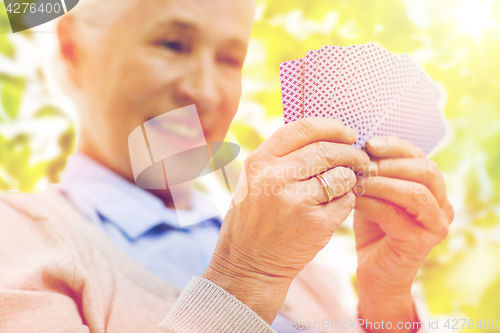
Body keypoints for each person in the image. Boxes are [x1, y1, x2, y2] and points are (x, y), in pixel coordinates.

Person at [0, 0, 454, 332]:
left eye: (229, 59)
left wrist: (386, 299)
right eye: (172, 44)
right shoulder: (16, 238)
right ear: (73, 48)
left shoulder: (306, 270)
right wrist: (245, 279)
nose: (205, 92)